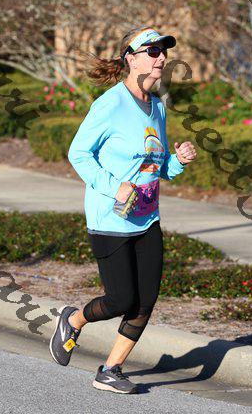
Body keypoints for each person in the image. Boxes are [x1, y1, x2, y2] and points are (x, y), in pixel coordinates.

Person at [49, 26, 197, 394]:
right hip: (111, 219)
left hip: (147, 218)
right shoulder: (110, 104)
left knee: (146, 301)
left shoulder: (157, 107)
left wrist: (178, 161)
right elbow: (78, 153)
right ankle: (73, 320)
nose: (161, 57)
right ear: (131, 59)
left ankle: (110, 369)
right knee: (121, 300)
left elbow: (156, 166)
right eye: (152, 51)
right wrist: (115, 186)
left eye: (163, 50)